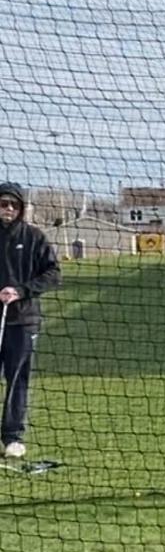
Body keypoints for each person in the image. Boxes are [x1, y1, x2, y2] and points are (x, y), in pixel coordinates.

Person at [0, 183, 61, 459]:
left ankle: (12, 437)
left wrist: (21, 291)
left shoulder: (34, 237)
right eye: (4, 204)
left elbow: (52, 273)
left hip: (23, 321)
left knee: (17, 379)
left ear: (21, 208)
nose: (9, 209)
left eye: (14, 205)